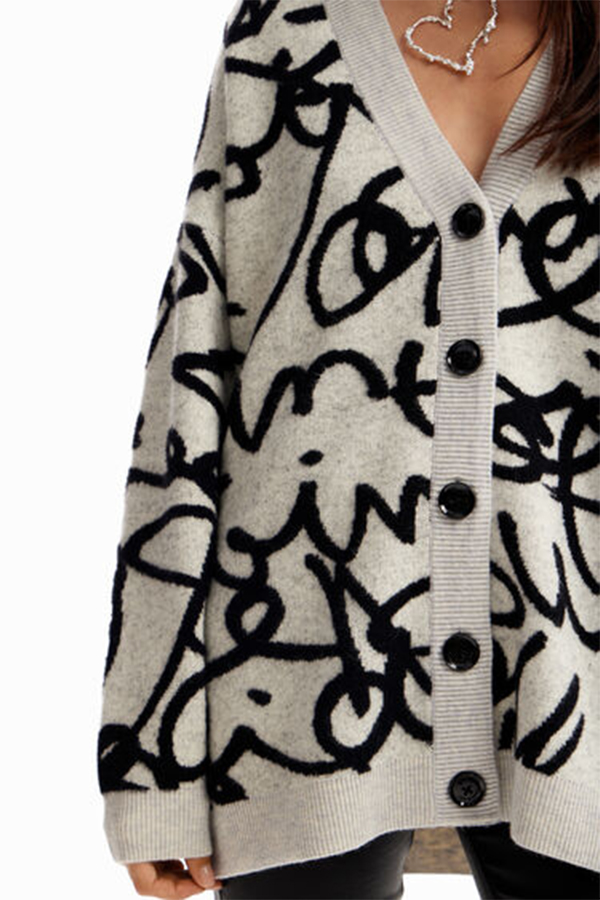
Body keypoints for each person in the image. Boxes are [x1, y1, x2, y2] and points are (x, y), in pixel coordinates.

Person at [96, 1, 600, 898]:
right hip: (295, 690)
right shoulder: (285, 32)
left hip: (577, 694)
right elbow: (188, 391)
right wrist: (151, 751)